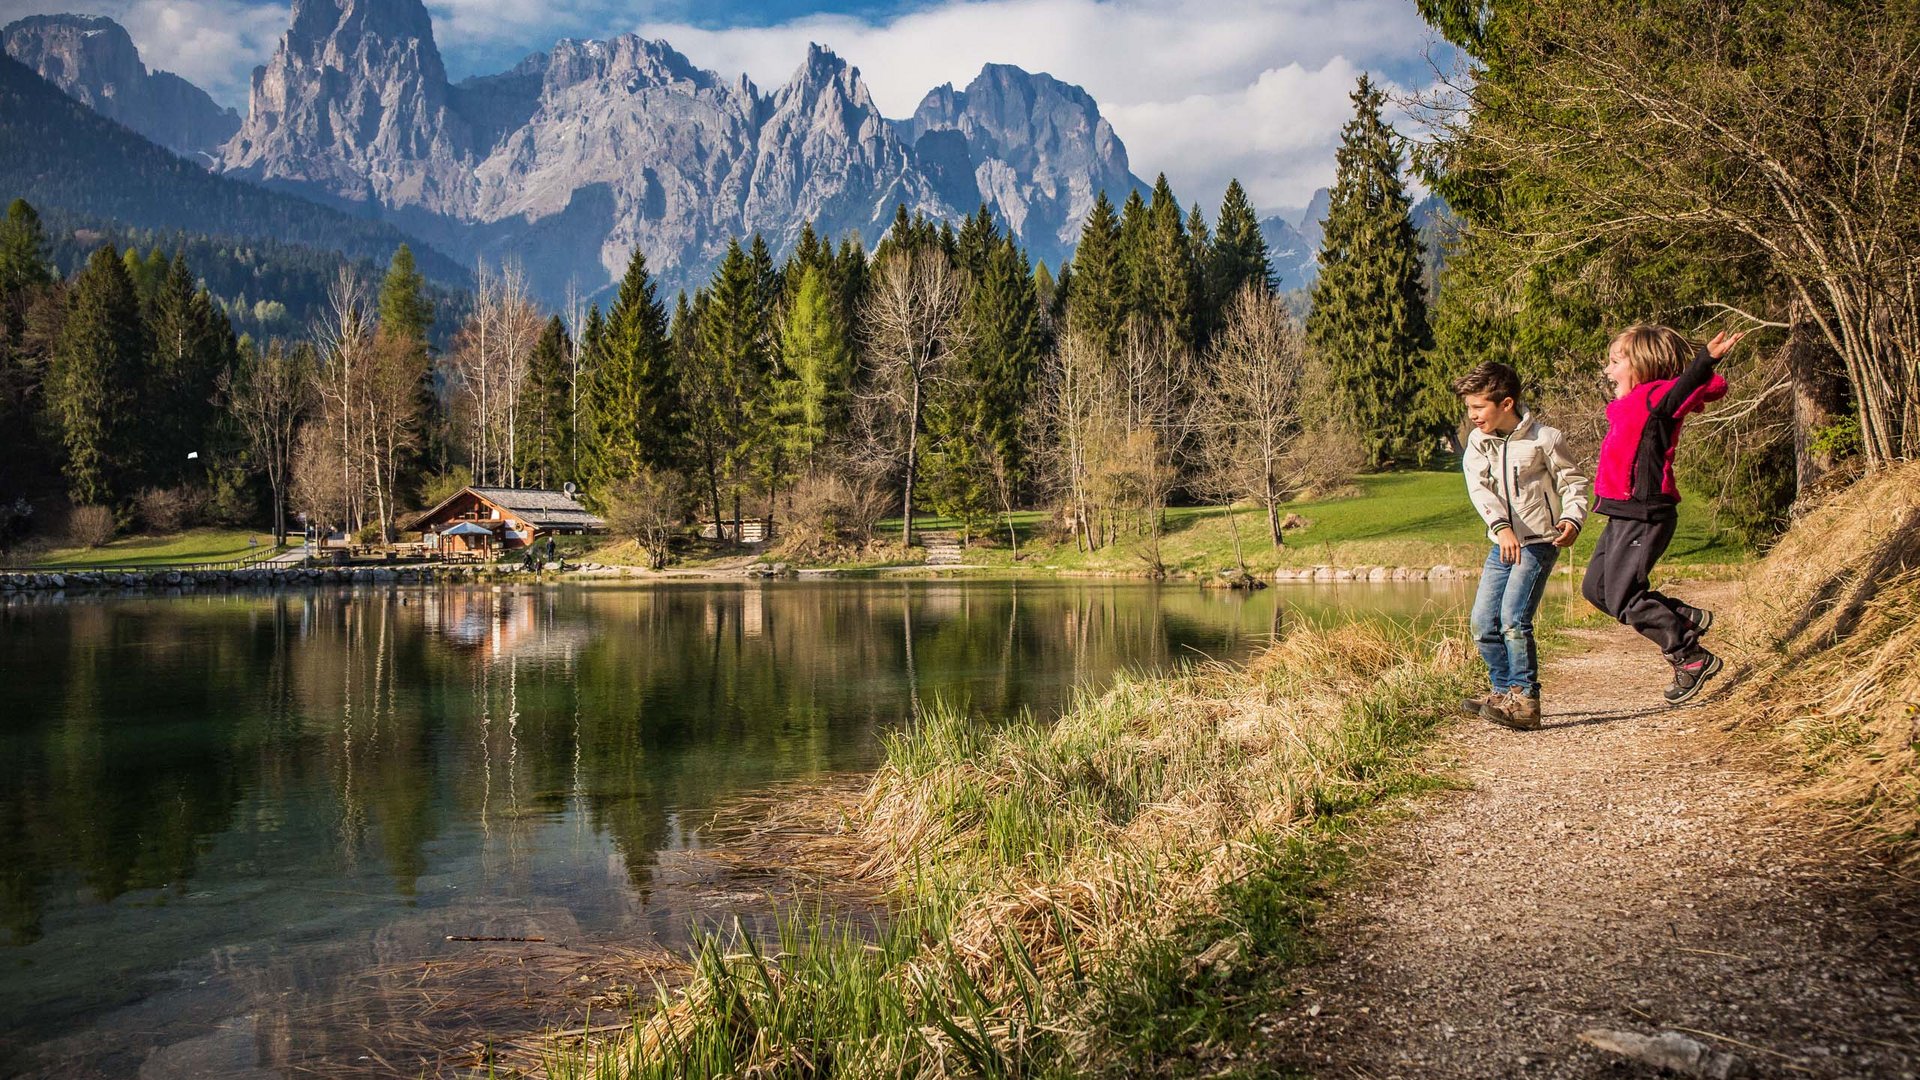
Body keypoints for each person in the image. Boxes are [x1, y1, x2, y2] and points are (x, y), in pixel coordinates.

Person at [1582, 325, 1742, 705]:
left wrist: (1706, 359)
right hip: (1622, 513)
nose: (1608, 371)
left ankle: (1689, 656)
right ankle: (1682, 616)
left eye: (1615, 362)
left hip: (1646, 513)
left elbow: (1688, 387)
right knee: (1596, 590)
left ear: (1643, 364)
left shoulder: (1657, 398)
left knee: (1622, 597)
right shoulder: (1631, 404)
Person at [1454, 361, 1590, 731]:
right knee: (1483, 622)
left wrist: (1572, 518)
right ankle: (1501, 691)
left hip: (1539, 542)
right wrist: (1500, 528)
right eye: (1469, 408)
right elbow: (1479, 488)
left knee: (1514, 618)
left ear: (1507, 403)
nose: (1472, 415)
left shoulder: (1545, 439)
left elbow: (1574, 483)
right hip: (1503, 544)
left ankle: (1525, 699)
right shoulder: (1477, 443)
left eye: (1478, 407)